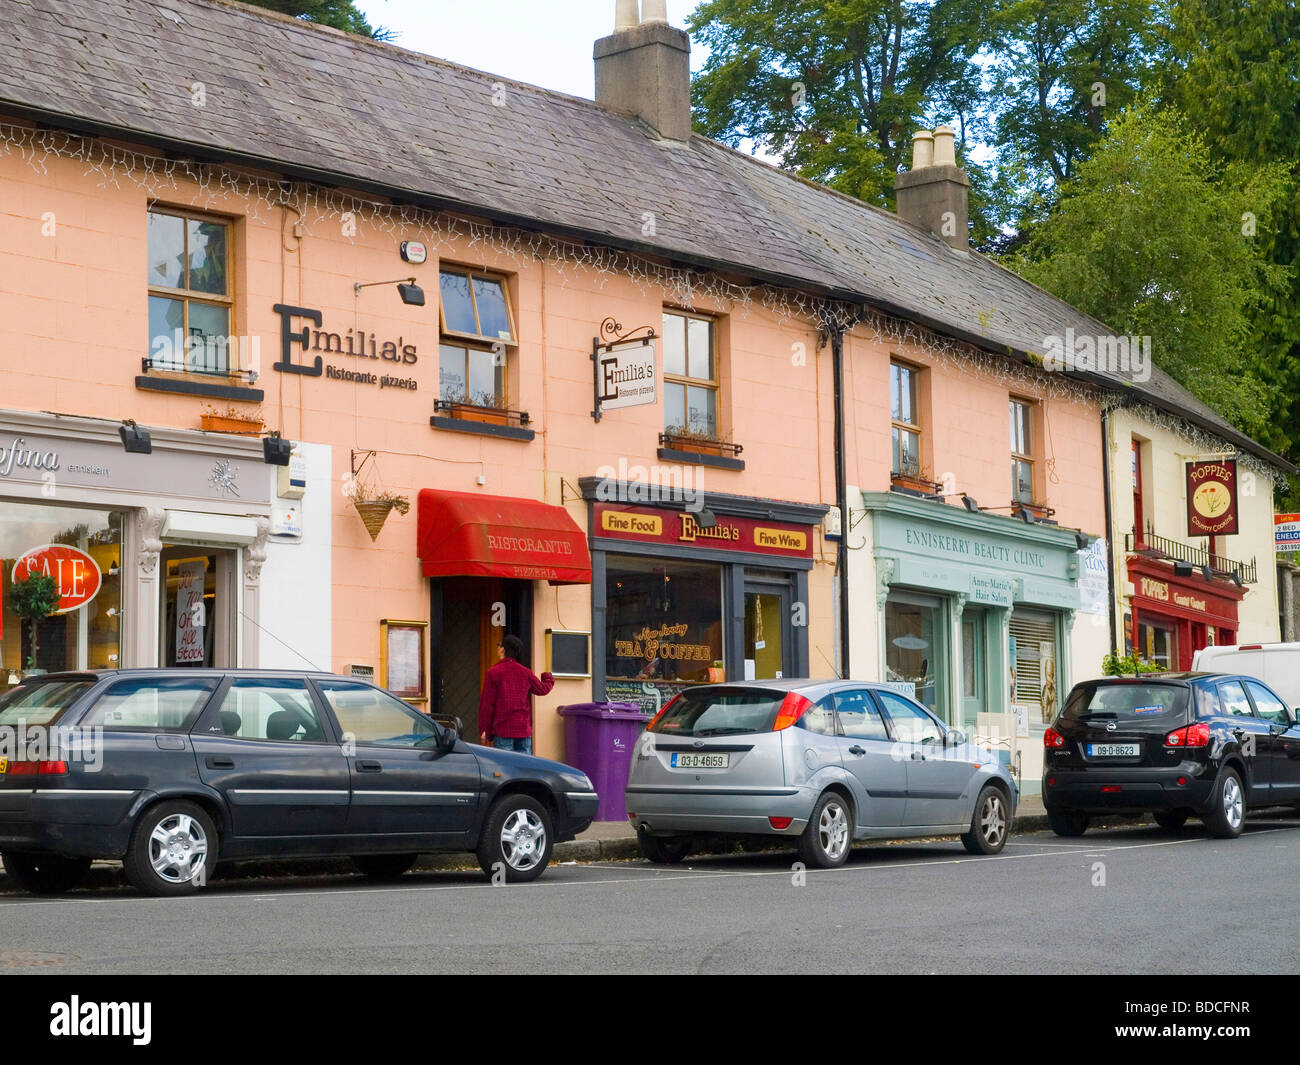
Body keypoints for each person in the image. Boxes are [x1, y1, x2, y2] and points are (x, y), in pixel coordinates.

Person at [478, 634, 554, 753]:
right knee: (523, 768)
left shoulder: (493, 673)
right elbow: (542, 689)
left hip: (503, 729)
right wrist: (547, 677)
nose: (498, 648)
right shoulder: (525, 672)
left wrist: (485, 729)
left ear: (503, 649)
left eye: (499, 645)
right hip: (523, 729)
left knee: (504, 768)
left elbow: (487, 705)